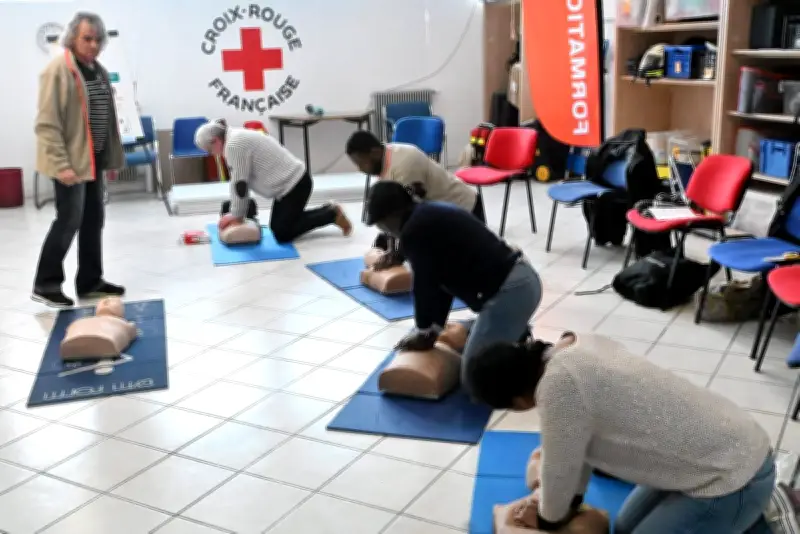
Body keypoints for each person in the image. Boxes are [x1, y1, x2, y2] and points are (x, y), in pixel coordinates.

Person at [465, 332, 775, 534]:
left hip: (732, 478)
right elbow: (575, 453)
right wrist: (567, 504)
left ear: (517, 400)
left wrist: (548, 519)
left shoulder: (558, 389)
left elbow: (560, 469)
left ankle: (749, 519)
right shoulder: (572, 347)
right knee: (624, 526)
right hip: (716, 454)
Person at [364, 181, 541, 382]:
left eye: (381, 223)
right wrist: (435, 329)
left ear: (392, 215)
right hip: (522, 283)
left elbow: (424, 285)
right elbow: (442, 284)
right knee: (476, 358)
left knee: (473, 379)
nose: (384, 230)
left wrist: (423, 331)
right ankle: (510, 330)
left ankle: (524, 347)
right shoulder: (426, 213)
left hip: (511, 295)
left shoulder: (415, 230)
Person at [32, 12, 126, 308]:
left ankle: (90, 281)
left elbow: (104, 119)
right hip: (69, 163)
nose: (94, 45)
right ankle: (45, 284)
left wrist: (107, 158)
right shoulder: (57, 71)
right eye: (87, 38)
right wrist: (62, 165)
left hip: (92, 160)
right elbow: (47, 124)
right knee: (69, 219)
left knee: (93, 219)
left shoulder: (97, 69)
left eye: (98, 39)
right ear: (72, 37)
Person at [194, 119, 352, 243]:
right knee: (277, 224)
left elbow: (240, 184)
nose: (211, 154)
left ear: (215, 140)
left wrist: (235, 214)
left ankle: (331, 213)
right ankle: (327, 211)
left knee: (282, 233)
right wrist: (236, 212)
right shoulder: (233, 137)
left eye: (209, 150)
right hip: (286, 188)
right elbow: (240, 184)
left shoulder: (234, 145)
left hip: (295, 185)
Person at [346, 130, 484, 268]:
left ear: (375, 152)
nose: (360, 169)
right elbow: (393, 216)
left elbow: (410, 220)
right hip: (440, 215)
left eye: (361, 163)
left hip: (465, 212)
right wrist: (389, 249)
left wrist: (397, 255)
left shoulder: (405, 164)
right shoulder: (385, 159)